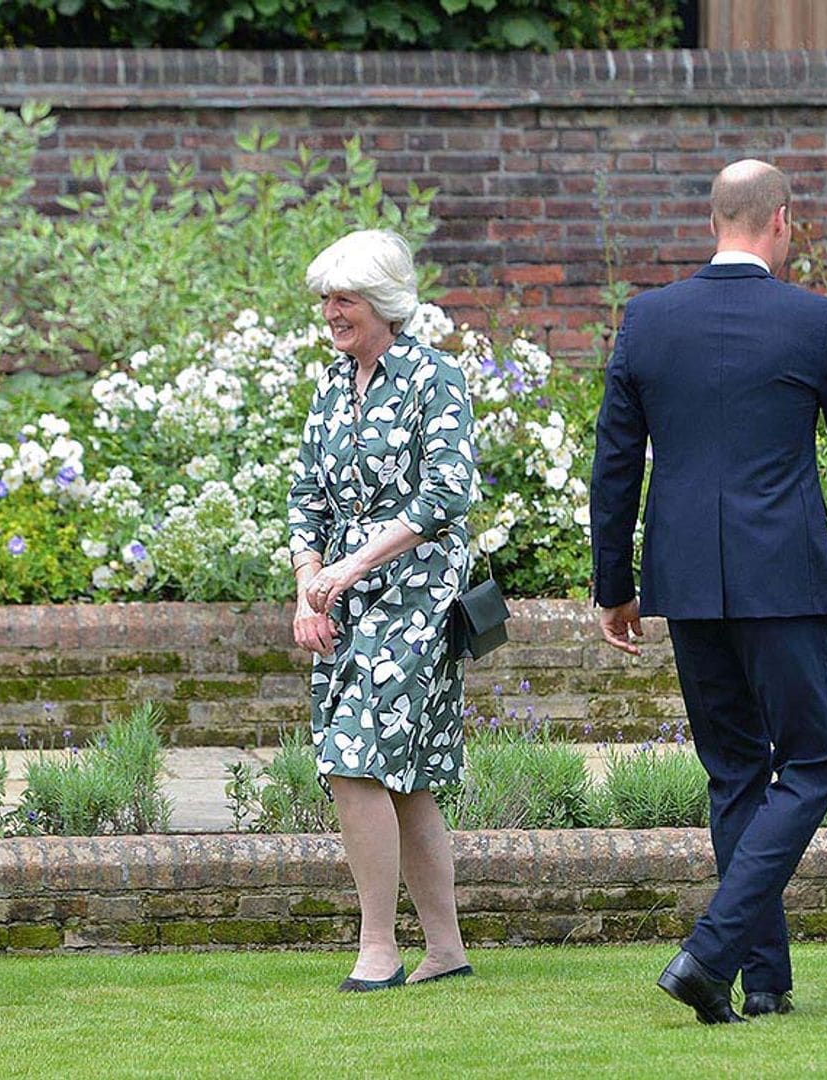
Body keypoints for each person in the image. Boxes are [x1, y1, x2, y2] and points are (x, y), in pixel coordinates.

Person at [590, 160, 827, 1024]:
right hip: (783, 582)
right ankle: (714, 952)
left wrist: (613, 587)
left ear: (714, 221)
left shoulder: (648, 322)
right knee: (809, 765)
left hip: (686, 584)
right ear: (781, 222)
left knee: (735, 774)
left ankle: (762, 981)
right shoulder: (811, 320)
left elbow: (614, 464)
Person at [287, 229, 475, 991]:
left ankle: (378, 946)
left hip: (417, 592)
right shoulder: (332, 387)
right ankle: (446, 948)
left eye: (345, 299)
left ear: (384, 304)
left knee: (352, 757)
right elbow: (305, 495)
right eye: (326, 299)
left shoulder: (436, 377)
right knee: (407, 777)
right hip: (341, 594)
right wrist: (310, 587)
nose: (332, 313)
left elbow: (448, 493)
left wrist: (352, 564)